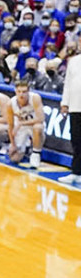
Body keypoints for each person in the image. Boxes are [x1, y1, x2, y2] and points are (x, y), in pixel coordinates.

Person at [2, 79, 46, 168]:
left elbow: (41, 118)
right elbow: (10, 125)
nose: (21, 94)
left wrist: (21, 123)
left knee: (38, 127)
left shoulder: (35, 98)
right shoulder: (10, 104)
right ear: (15, 91)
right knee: (14, 158)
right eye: (19, 92)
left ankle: (35, 153)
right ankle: (26, 147)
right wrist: (13, 144)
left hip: (34, 125)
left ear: (29, 91)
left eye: (24, 92)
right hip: (21, 129)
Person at [59, 51, 81, 185]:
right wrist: (65, 103)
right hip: (75, 106)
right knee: (76, 140)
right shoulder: (73, 61)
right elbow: (67, 84)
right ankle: (76, 172)